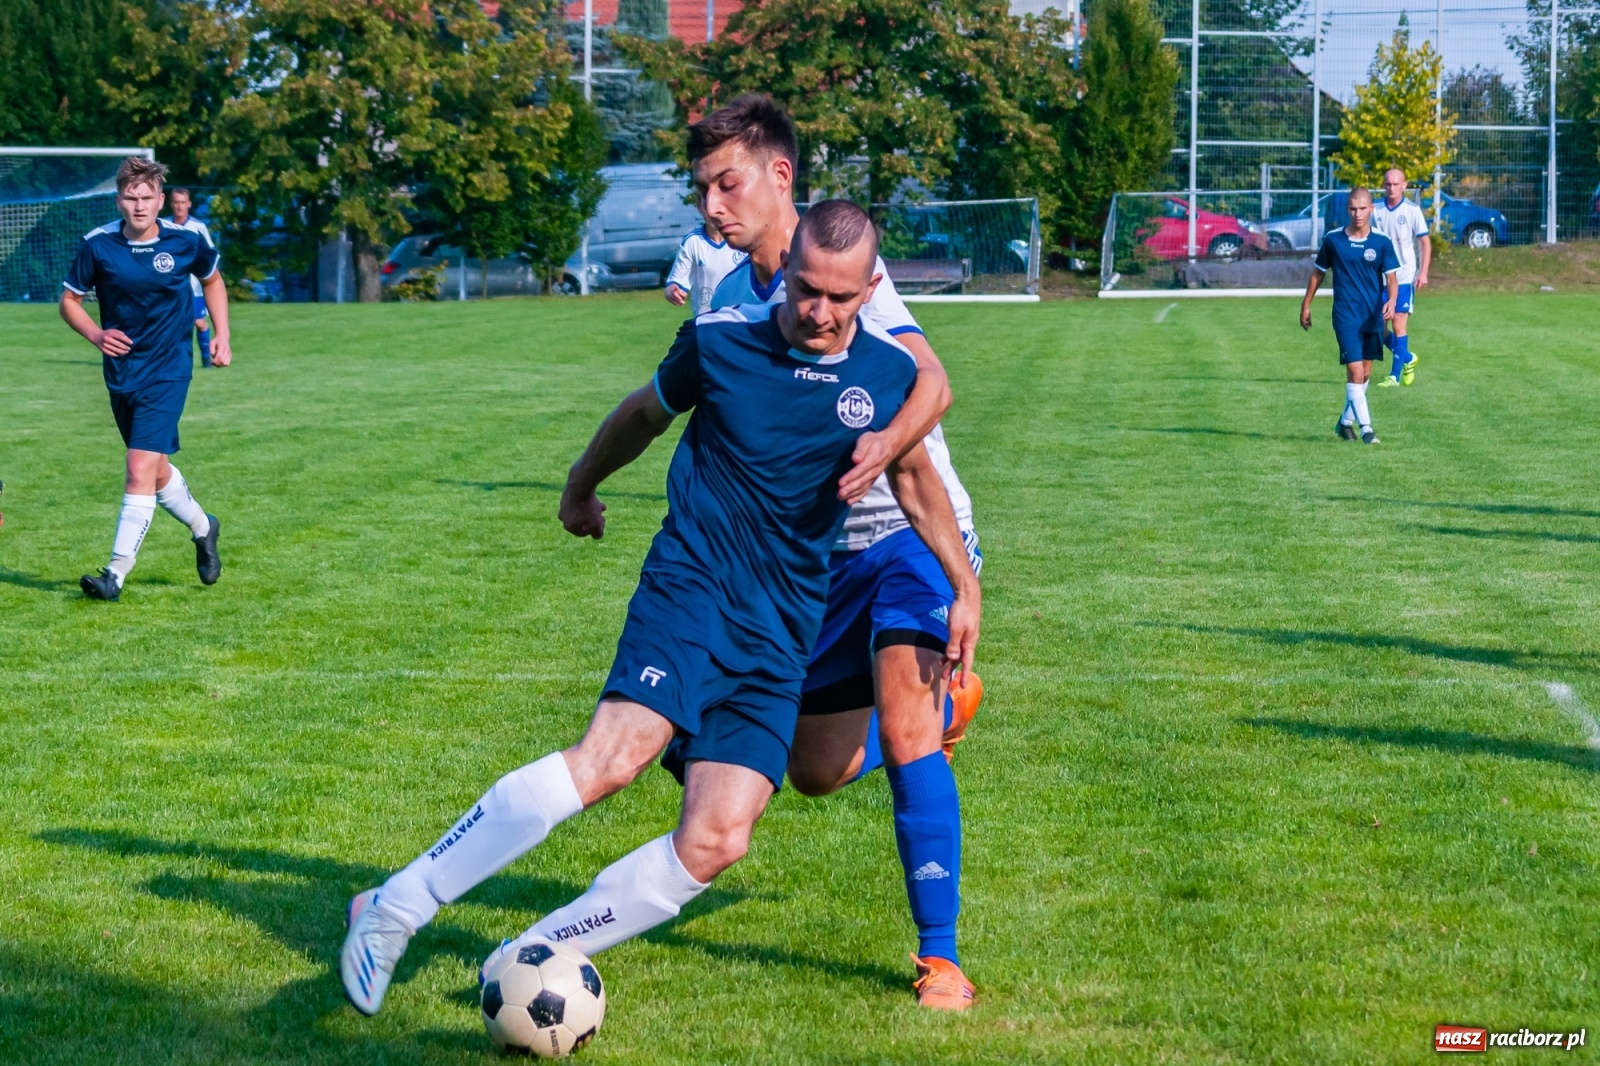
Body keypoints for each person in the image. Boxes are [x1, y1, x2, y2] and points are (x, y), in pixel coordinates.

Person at [338, 200, 982, 1018]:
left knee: (719, 837)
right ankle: (395, 906)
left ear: (872, 287)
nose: (819, 312)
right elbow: (643, 414)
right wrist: (580, 484)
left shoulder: (888, 375)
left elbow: (916, 481)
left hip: (783, 632)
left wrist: (964, 586)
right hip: (694, 589)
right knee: (615, 755)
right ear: (788, 272)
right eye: (807, 289)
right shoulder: (719, 343)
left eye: (840, 298)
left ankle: (533, 952)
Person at [693, 94, 982, 1009]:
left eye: (727, 184)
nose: (712, 208)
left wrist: (883, 446)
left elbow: (932, 382)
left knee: (903, 728)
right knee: (815, 772)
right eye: (702, 189)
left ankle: (941, 958)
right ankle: (946, 715)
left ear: (781, 178)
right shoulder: (727, 294)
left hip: (908, 532)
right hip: (817, 560)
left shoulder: (849, 264)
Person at [60, 156, 231, 601]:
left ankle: (114, 574)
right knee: (153, 473)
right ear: (118, 200)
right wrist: (96, 334)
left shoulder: (185, 241)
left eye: (146, 198)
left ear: (161, 200)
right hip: (122, 373)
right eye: (130, 198)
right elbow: (69, 302)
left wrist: (222, 335)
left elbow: (212, 281)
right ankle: (202, 526)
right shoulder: (97, 245)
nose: (139, 206)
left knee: (137, 468)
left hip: (170, 370)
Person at [1301, 187, 1399, 445]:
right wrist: (1306, 305)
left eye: (1363, 208)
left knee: (1365, 374)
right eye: (1353, 209)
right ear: (1348, 209)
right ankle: (1367, 430)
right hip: (1345, 316)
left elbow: (1392, 278)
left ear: (1371, 209)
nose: (1357, 213)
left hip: (1373, 317)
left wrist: (1391, 300)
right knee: (1355, 372)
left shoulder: (1381, 242)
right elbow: (1318, 273)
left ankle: (1344, 423)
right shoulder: (1334, 240)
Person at [1370, 168, 1430, 388]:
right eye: (1388, 184)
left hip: (1404, 275)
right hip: (1380, 278)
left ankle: (1394, 376)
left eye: (1396, 184)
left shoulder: (1412, 210)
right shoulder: (1374, 210)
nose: (1392, 188)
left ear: (1404, 185)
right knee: (1376, 325)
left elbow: (1425, 242)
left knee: (1398, 322)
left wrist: (1423, 272)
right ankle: (1407, 358)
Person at [664, 208, 745, 316]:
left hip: (741, 318)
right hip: (707, 319)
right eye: (709, 208)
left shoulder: (744, 238)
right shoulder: (692, 241)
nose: (713, 213)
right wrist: (672, 292)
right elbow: (676, 282)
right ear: (700, 207)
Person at [167, 187, 215, 368]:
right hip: (169, 286)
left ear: (189, 204)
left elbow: (210, 256)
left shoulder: (198, 227)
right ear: (171, 204)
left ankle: (205, 359)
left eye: (183, 202)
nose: (179, 206)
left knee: (198, 322)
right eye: (176, 202)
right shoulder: (162, 225)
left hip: (193, 287)